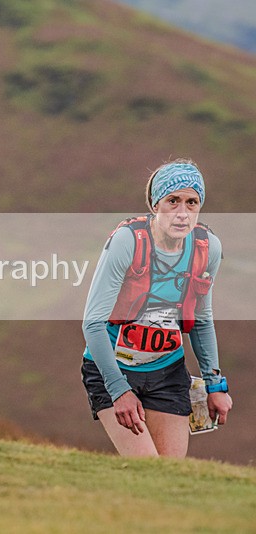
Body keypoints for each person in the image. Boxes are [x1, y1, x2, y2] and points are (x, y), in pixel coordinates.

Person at [81, 159, 233, 457]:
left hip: (167, 370)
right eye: (172, 201)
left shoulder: (207, 248)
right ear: (155, 205)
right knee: (145, 466)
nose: (182, 213)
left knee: (169, 475)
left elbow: (201, 321)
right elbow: (92, 323)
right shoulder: (128, 241)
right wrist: (119, 391)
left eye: (192, 203)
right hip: (114, 368)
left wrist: (215, 385)